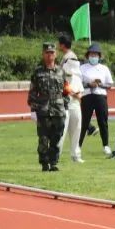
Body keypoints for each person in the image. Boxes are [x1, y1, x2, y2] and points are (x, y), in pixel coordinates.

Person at [28, 42, 66, 172]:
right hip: (43, 109)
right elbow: (32, 92)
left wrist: (64, 104)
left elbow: (66, 90)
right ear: (43, 54)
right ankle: (45, 163)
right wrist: (33, 109)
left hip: (58, 110)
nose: (50, 55)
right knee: (43, 138)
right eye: (47, 53)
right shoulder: (37, 72)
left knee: (57, 137)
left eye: (52, 53)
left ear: (56, 54)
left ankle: (53, 161)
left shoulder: (61, 71)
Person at [79, 43, 113, 156]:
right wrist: (89, 84)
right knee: (84, 121)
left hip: (100, 96)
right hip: (87, 96)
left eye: (95, 55)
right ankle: (78, 145)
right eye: (91, 54)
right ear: (88, 55)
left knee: (103, 121)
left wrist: (100, 84)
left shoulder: (104, 68)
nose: (93, 57)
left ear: (99, 56)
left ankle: (106, 145)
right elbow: (78, 84)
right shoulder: (82, 68)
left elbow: (110, 85)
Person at [57, 35, 84, 164]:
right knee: (61, 129)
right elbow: (64, 85)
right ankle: (56, 155)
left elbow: (77, 86)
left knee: (76, 128)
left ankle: (75, 155)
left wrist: (78, 95)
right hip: (65, 101)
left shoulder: (71, 60)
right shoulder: (64, 65)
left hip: (74, 102)